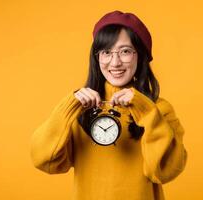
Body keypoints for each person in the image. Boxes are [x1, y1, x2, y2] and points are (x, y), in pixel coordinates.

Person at [30, 10, 187, 200]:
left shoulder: (159, 109)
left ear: (141, 55)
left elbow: (166, 171)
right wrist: (69, 107)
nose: (115, 62)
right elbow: (44, 160)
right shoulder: (80, 110)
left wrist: (146, 111)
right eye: (106, 52)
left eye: (125, 51)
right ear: (97, 58)